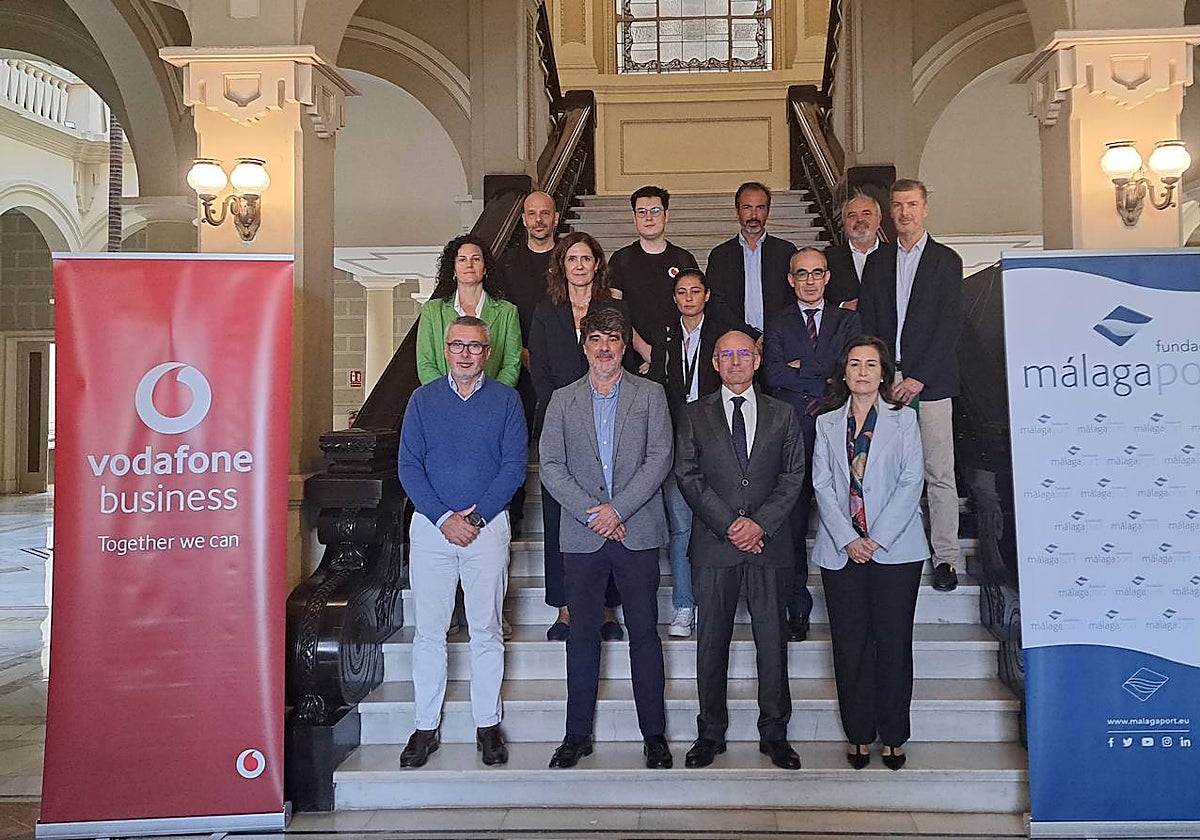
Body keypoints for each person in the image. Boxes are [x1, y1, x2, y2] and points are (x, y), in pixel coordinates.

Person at [539, 307, 674, 770]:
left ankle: (653, 735)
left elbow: (659, 458)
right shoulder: (562, 400)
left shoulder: (651, 395)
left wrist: (619, 510)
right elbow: (551, 464)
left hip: (636, 531)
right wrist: (593, 514)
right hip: (582, 537)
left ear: (623, 346)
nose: (604, 347)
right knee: (581, 636)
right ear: (585, 345)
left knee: (644, 634)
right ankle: (576, 734)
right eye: (595, 338)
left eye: (613, 338)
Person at [397, 316, 529, 768]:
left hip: (486, 528)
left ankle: (487, 725)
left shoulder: (507, 401)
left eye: (475, 346)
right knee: (429, 632)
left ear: (487, 353)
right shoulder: (422, 400)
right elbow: (409, 467)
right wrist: (443, 517)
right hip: (432, 529)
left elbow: (513, 465)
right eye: (458, 345)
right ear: (446, 350)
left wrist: (474, 516)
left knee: (486, 630)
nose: (466, 353)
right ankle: (424, 727)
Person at [674, 330, 806, 770]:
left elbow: (793, 477)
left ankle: (775, 733)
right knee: (712, 642)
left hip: (769, 545)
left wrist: (759, 524)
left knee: (772, 641)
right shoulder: (694, 414)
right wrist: (730, 524)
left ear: (757, 359)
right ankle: (710, 733)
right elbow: (688, 475)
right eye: (725, 354)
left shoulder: (783, 414)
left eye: (743, 354)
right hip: (715, 545)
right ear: (714, 362)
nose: (735, 361)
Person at [811, 335, 929, 771]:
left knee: (894, 643)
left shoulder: (904, 421)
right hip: (842, 552)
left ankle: (894, 734)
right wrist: (850, 539)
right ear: (844, 372)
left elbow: (911, 481)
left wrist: (875, 538)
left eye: (872, 364)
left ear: (884, 374)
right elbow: (821, 484)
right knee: (850, 644)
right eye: (855, 364)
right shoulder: (826, 423)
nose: (863, 371)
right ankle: (859, 733)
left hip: (895, 550)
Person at [859, 178, 963, 592]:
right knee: (885, 472)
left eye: (913, 205)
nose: (905, 213)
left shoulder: (946, 261)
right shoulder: (879, 263)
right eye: (898, 205)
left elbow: (949, 326)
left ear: (925, 209)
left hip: (932, 382)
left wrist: (919, 376)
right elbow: (868, 323)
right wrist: (883, 376)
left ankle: (946, 559)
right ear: (890, 211)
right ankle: (893, 545)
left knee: (938, 473)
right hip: (886, 381)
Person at [528, 232, 627, 642]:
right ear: (561, 266)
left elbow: (622, 358)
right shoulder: (545, 310)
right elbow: (539, 368)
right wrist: (569, 410)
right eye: (573, 259)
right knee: (559, 517)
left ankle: (606, 609)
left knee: (607, 507)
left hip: (608, 418)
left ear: (597, 264)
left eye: (587, 258)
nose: (580, 266)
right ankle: (567, 610)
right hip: (560, 422)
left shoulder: (614, 306)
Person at [761, 248, 861, 642]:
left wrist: (801, 370)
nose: (809, 281)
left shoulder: (847, 320)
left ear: (827, 277)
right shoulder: (779, 321)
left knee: (846, 516)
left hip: (840, 428)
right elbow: (771, 375)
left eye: (816, 273)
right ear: (790, 279)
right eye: (801, 274)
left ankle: (849, 607)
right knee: (793, 524)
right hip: (793, 432)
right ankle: (796, 608)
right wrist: (824, 373)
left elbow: (849, 371)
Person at [648, 268, 735, 638]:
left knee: (718, 521)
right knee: (681, 526)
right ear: (675, 298)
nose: (688, 298)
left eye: (695, 291)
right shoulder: (665, 334)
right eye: (681, 292)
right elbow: (655, 380)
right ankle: (684, 605)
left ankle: (718, 605)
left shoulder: (719, 335)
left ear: (707, 295)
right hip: (673, 438)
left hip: (716, 437)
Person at [498, 191, 561, 535]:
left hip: (562, 365)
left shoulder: (568, 256)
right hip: (517, 364)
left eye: (545, 214)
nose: (539, 220)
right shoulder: (508, 262)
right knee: (515, 441)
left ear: (555, 217)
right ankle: (515, 513)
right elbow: (502, 313)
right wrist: (521, 352)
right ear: (523, 219)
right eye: (532, 214)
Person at [608, 185, 699, 369]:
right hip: (632, 356)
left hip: (679, 356)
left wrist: (669, 354)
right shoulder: (620, 260)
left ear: (667, 215)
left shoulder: (684, 259)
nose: (648, 218)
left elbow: (696, 309)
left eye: (655, 211)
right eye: (641, 212)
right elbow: (614, 312)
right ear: (634, 218)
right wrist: (645, 351)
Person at [416, 234, 522, 388]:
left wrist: (492, 396)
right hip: (444, 404)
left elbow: (512, 364)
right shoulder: (432, 311)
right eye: (462, 259)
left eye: (476, 259)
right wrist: (448, 397)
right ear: (453, 268)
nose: (469, 265)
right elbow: (425, 364)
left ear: (485, 268)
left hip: (491, 403)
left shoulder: (507, 311)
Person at [705, 182, 797, 340]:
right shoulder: (720, 255)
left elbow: (793, 299)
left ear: (768, 212)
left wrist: (771, 336)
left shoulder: (786, 252)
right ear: (737, 211)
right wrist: (749, 334)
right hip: (735, 341)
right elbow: (717, 304)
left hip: (780, 340)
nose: (754, 216)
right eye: (747, 208)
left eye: (760, 208)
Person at [823, 192, 883, 310]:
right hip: (845, 326)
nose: (860, 219)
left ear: (879, 220)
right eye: (852, 215)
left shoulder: (896, 256)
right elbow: (817, 298)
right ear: (844, 223)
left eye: (866, 213)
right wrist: (842, 306)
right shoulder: (828, 259)